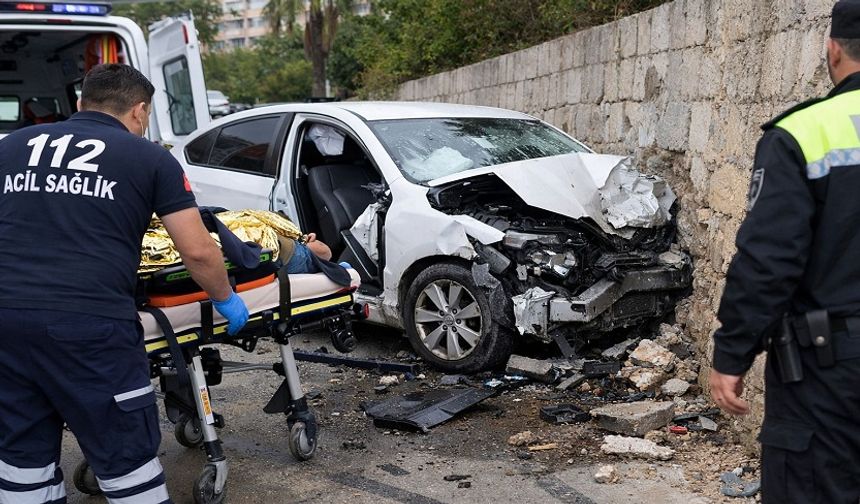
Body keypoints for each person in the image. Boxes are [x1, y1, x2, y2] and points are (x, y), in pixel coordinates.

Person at [0, 64, 249, 504]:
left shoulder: (11, 146)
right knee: (126, 459)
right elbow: (197, 250)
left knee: (21, 460)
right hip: (90, 328)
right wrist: (225, 298)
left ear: (81, 103)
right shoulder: (148, 157)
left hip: (6, 322)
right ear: (140, 110)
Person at [709, 1, 860, 501]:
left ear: (833, 49)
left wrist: (733, 352)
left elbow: (769, 259)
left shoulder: (804, 132)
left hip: (831, 371)